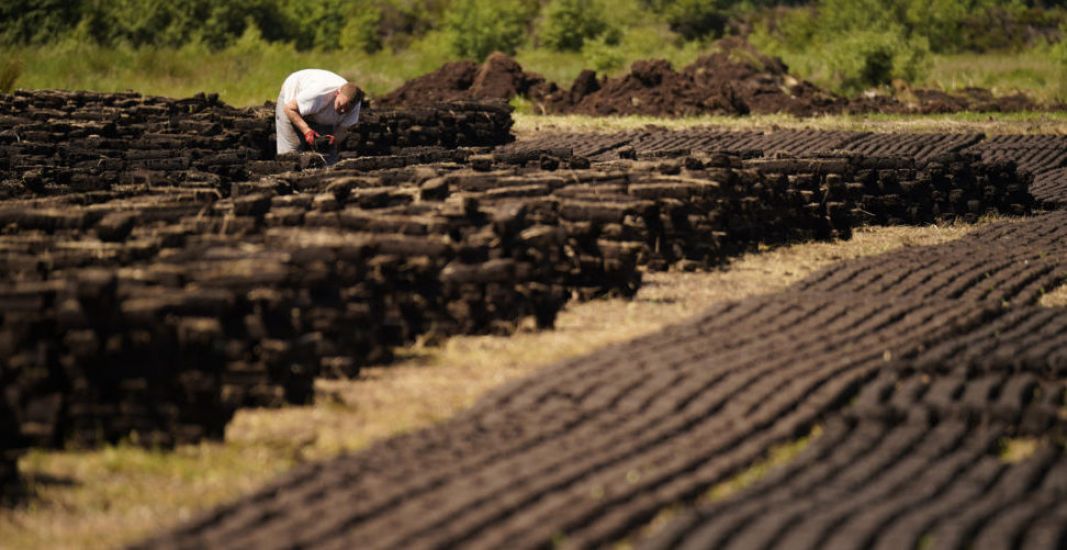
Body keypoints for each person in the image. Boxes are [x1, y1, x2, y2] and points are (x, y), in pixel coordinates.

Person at [275, 69, 364, 156]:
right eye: (340, 105)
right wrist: (307, 131)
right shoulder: (319, 94)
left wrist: (334, 140)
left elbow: (343, 130)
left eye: (347, 109)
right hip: (293, 101)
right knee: (293, 151)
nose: (343, 111)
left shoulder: (355, 105)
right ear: (337, 93)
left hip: (318, 111)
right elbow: (289, 108)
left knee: (327, 151)